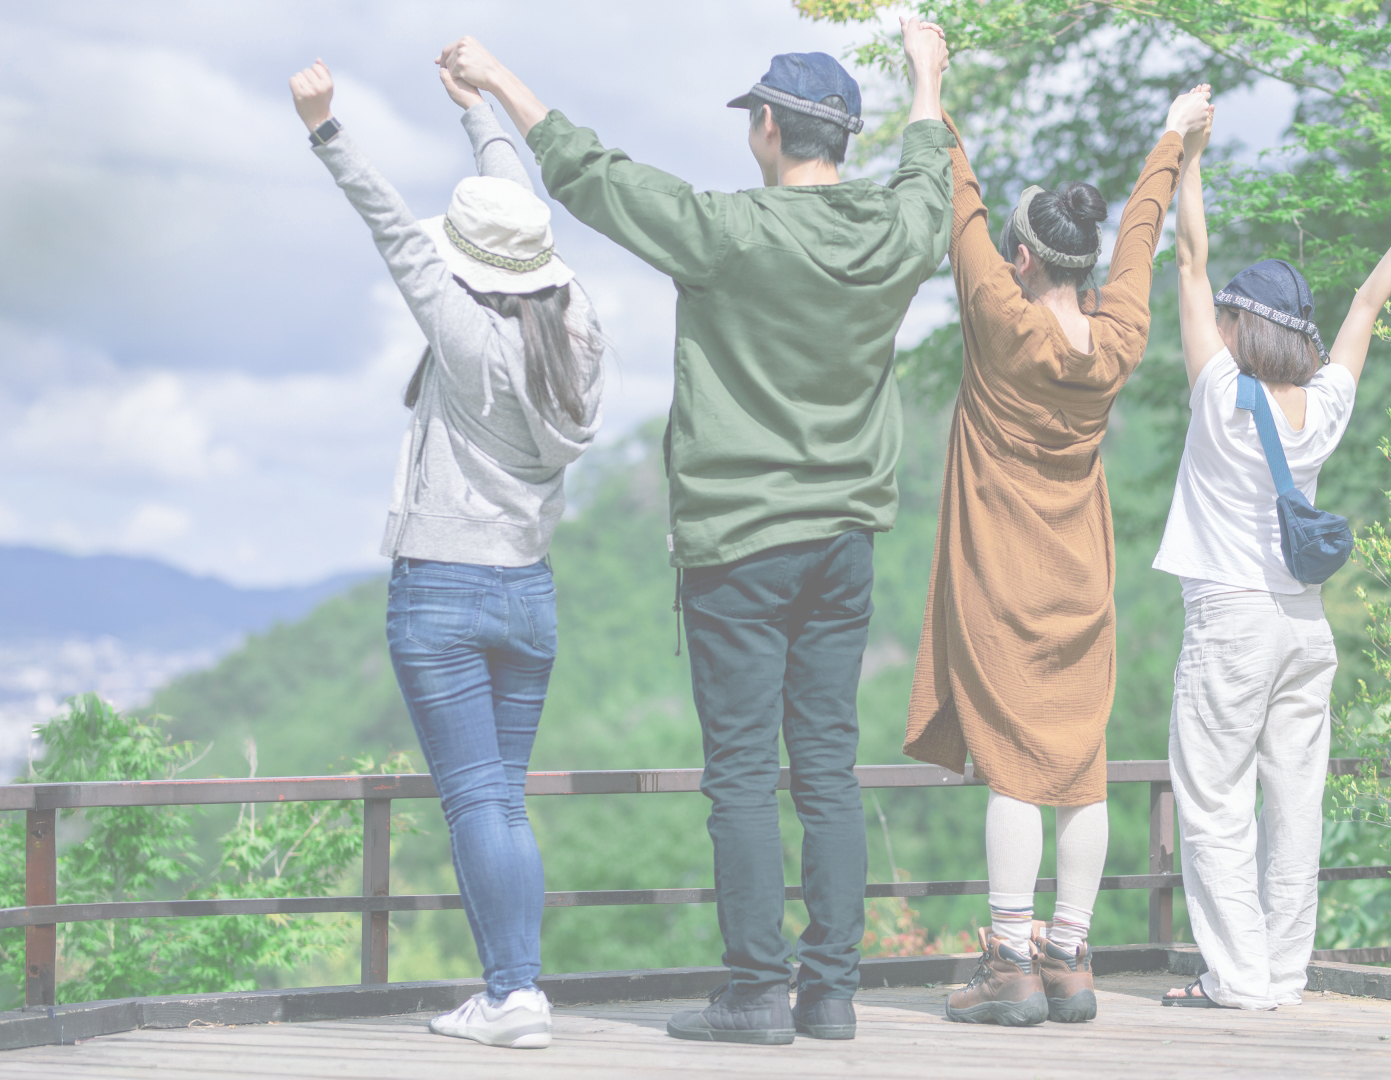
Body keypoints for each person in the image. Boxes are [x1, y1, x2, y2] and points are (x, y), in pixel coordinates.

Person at [436, 19, 954, 1046]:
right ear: (839, 139)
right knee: (827, 765)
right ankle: (834, 993)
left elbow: (595, 178)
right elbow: (934, 169)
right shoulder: (899, 234)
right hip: (846, 540)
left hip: (741, 545)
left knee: (743, 779)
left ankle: (757, 994)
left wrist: (493, 79)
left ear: (767, 128)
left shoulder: (728, 234)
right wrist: (928, 73)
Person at [289, 57, 606, 1048]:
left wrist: (326, 129)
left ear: (471, 266)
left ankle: (514, 993)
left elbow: (393, 228)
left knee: (477, 800)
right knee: (499, 801)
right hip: (529, 594)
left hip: (444, 593)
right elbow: (516, 204)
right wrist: (478, 116)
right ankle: (510, 988)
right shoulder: (579, 323)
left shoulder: (465, 334)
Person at [1153, 112, 1391, 1009]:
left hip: (1229, 618)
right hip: (1305, 626)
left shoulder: (1220, 393)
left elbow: (1187, 259)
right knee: (1293, 804)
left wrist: (1187, 158)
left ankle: (1238, 978)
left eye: (1222, 314)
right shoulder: (1325, 407)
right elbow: (1369, 303)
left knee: (1215, 801)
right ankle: (1284, 974)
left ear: (1236, 326)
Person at [901, 86, 1215, 1026]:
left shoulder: (1002, 320)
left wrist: (930, 92)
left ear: (1023, 257)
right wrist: (1170, 136)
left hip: (1002, 580)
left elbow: (960, 202)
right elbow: (1142, 239)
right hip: (1084, 582)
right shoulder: (1117, 340)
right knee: (1079, 767)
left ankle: (1010, 963)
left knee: (1014, 769)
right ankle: (1071, 959)